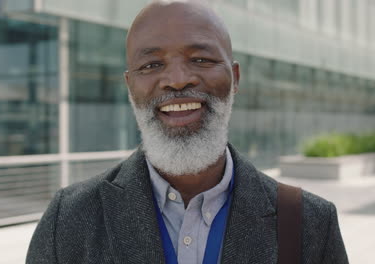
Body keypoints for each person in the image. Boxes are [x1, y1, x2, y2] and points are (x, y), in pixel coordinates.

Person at [26, 1, 348, 263]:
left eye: (200, 59)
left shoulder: (309, 223)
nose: (178, 80)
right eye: (152, 65)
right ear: (130, 87)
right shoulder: (68, 219)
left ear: (235, 79)